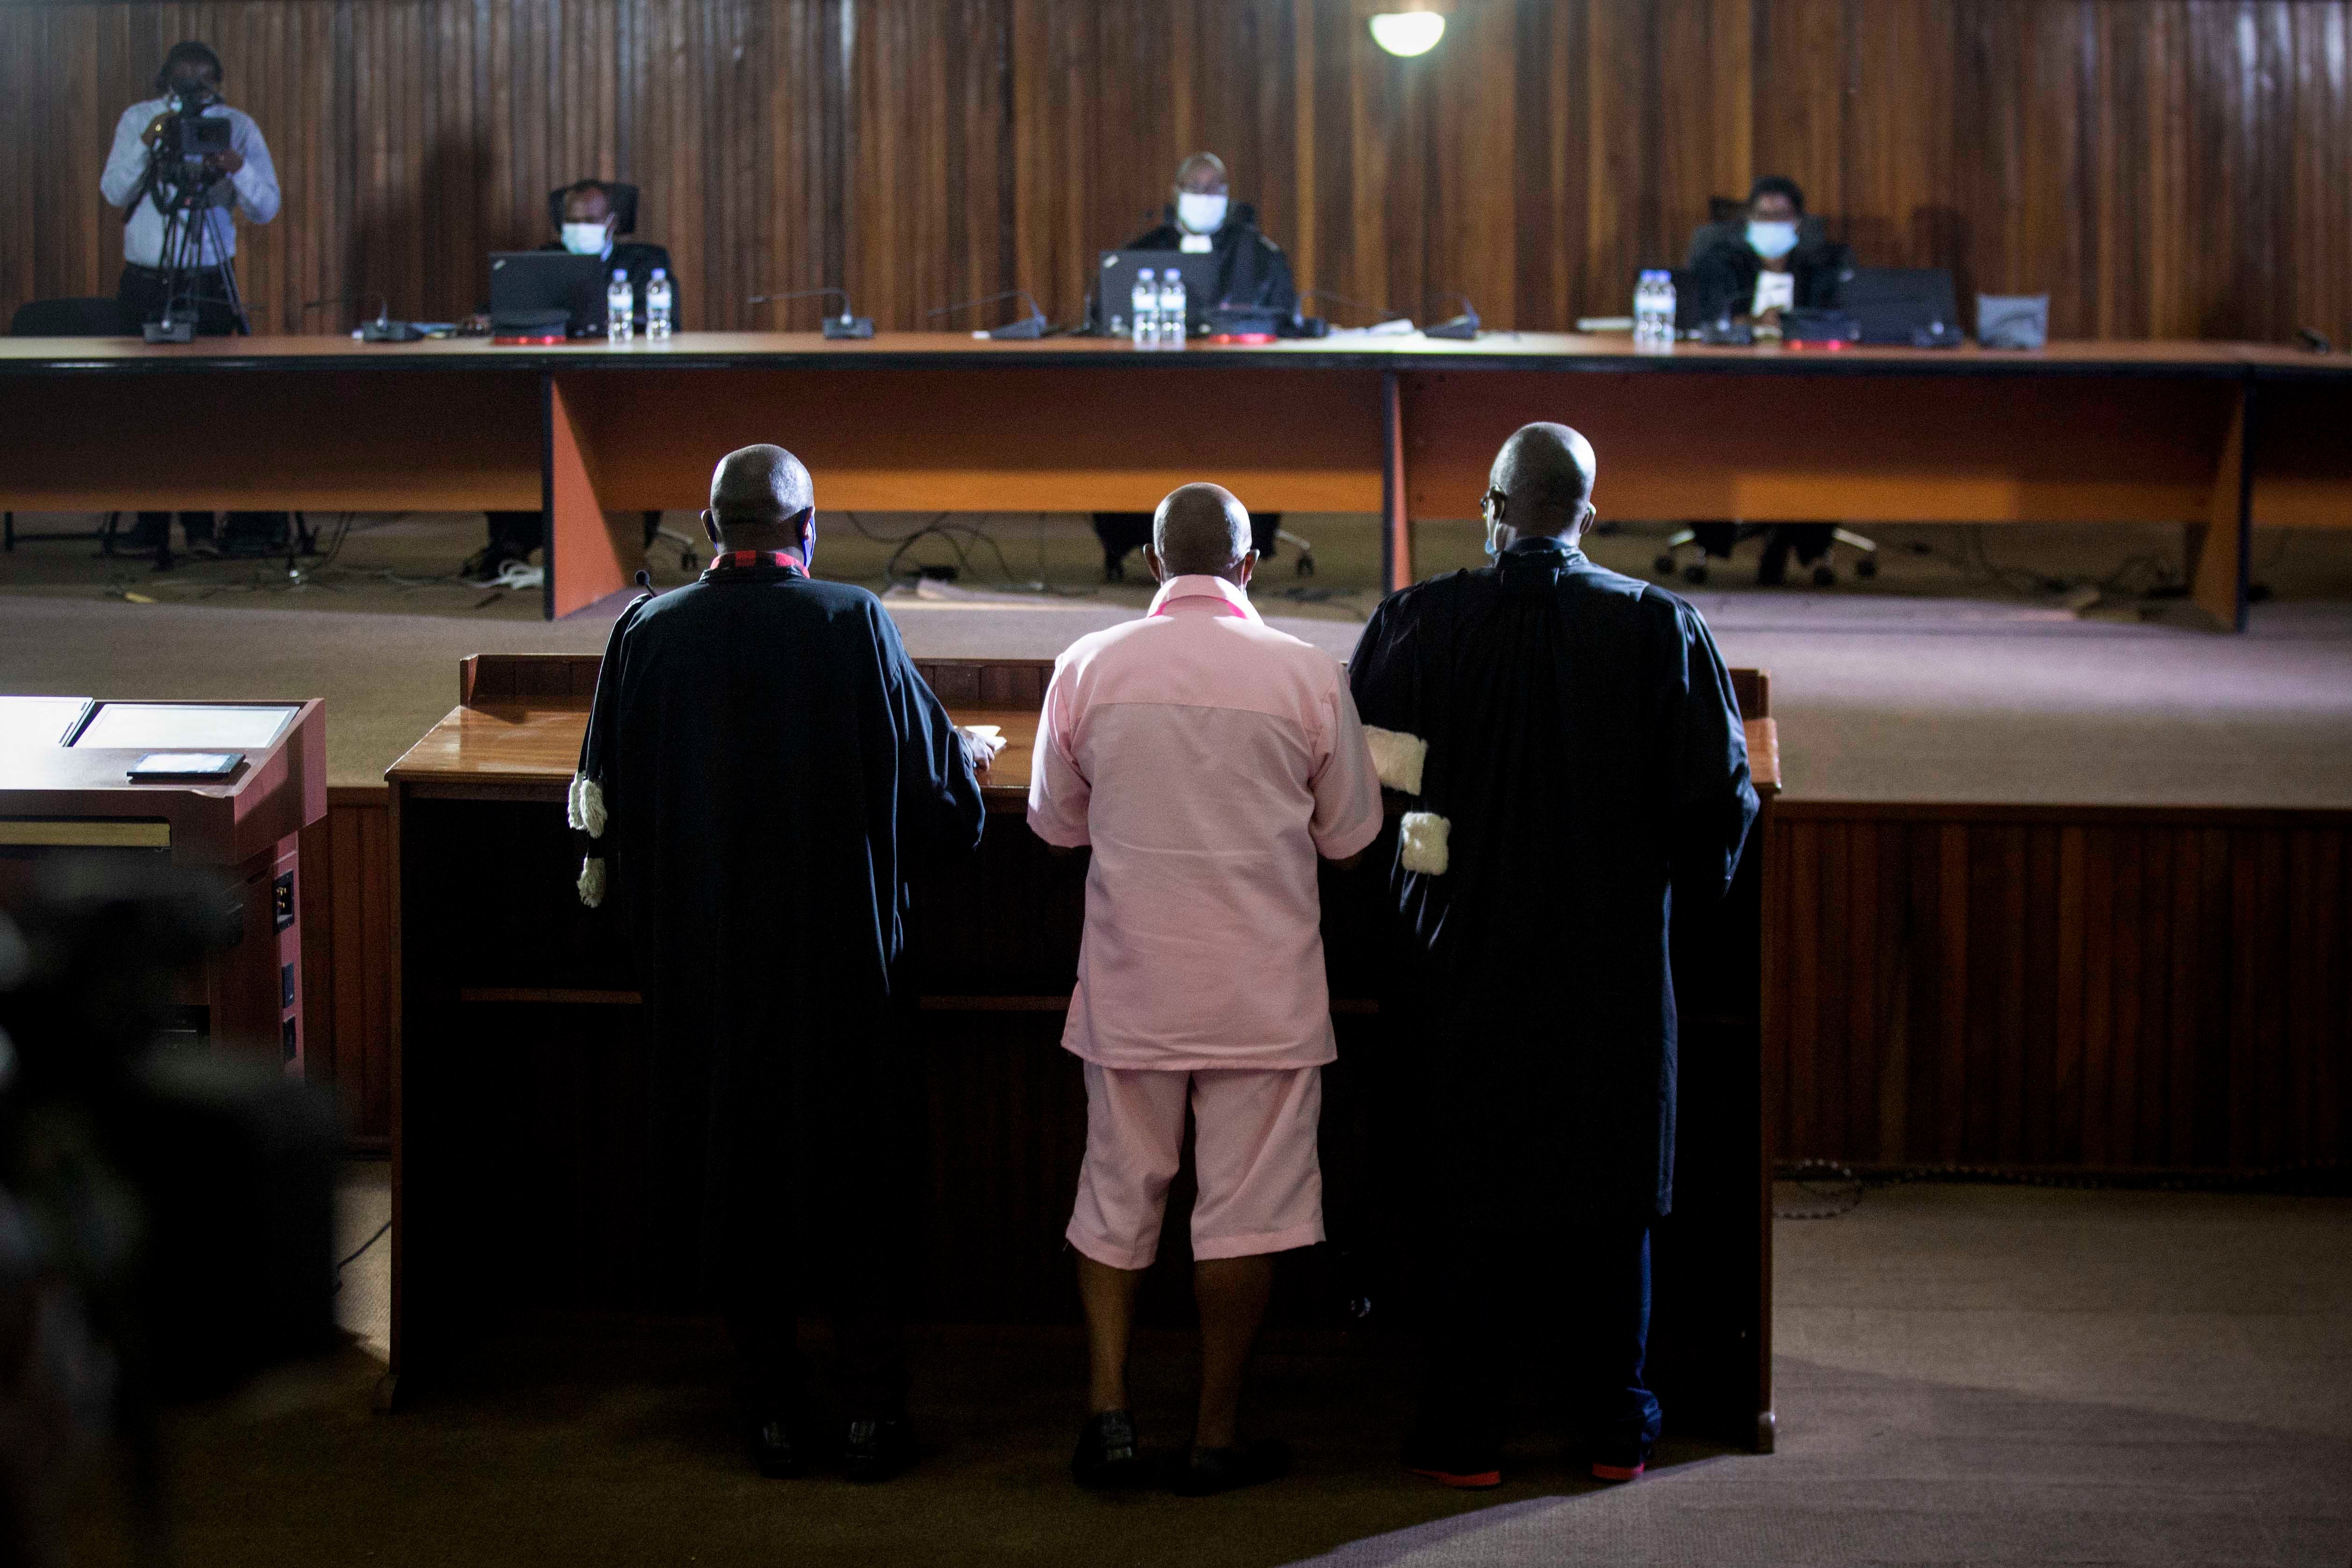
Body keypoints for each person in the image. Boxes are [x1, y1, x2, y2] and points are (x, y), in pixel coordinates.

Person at [568, 444, 997, 1483]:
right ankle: (868, 1415)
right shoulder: (850, 621)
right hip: (839, 971)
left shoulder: (646, 629)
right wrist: (961, 755)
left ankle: (767, 1409)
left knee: (735, 1171)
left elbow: (599, 804)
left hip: (704, 972)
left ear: (711, 531)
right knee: (856, 1177)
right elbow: (946, 814)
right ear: (810, 532)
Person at [1346, 423, 1758, 1490]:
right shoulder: (1661, 627)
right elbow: (1715, 807)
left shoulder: (1417, 623)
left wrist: (1417, 896)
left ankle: (1463, 1433)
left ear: (1490, 508)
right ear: (1588, 509)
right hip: (1612, 967)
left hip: (1456, 961)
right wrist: (1667, 916)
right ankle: (1615, 1428)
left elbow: (1384, 787)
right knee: (1611, 1196)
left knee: (1460, 1192)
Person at [1028, 483, 1382, 1496]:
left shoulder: (1088, 666)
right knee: (1246, 1217)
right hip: (1261, 996)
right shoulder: (1307, 672)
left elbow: (1056, 824)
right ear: (1251, 565)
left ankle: (1109, 1417)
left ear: (1149, 564)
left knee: (1114, 1196)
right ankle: (1216, 1434)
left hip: (1134, 984)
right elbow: (1352, 838)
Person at [101, 41, 282, 559]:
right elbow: (114, 192)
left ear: (218, 84)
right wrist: (150, 140)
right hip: (146, 277)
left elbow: (266, 206)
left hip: (207, 278)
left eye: (203, 84)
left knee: (206, 402)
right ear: (164, 83)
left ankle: (202, 525)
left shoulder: (237, 127)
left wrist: (237, 167)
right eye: (183, 83)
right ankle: (149, 523)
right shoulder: (139, 119)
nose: (193, 94)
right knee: (140, 404)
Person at [1090, 154, 1298, 581]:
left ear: (1229, 196)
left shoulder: (1261, 256)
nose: (1206, 198)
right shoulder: (1140, 254)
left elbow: (1284, 325)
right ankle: (1130, 539)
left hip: (1239, 398)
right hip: (1153, 395)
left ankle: (1242, 544)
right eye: (1196, 188)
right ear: (1177, 194)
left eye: (1215, 189)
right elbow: (1104, 319)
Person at [467, 179, 680, 581]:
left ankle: (623, 543)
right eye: (572, 220)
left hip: (625, 389)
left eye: (590, 219)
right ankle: (510, 544)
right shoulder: (539, 261)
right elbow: (494, 309)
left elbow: (668, 323)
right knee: (507, 428)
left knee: (637, 443)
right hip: (543, 386)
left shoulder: (645, 263)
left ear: (613, 223)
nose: (580, 227)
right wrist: (485, 318)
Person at [1688, 175, 1854, 581]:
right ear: (1748, 219)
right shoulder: (1721, 258)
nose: (1773, 224)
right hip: (1730, 385)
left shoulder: (1822, 263)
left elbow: (1840, 319)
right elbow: (1705, 318)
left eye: (1782, 216)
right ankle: (1716, 534)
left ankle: (1807, 540)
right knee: (1699, 428)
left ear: (1799, 221)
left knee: (1824, 431)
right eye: (1764, 216)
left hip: (1810, 383)